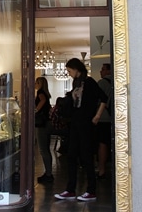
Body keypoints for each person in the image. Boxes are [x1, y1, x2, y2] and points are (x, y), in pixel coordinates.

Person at [54, 57, 107, 202]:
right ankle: (70, 189)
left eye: (70, 70)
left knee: (86, 156)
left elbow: (104, 98)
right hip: (76, 123)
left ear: (77, 69)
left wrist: (97, 116)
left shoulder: (89, 82)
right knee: (71, 155)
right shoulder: (75, 83)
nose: (69, 73)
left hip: (86, 123)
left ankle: (91, 190)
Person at [35, 76, 54, 183]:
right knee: (46, 148)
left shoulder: (40, 92)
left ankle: (48, 173)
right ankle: (49, 172)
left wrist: (35, 110)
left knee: (43, 149)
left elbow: (42, 101)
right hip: (47, 122)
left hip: (42, 124)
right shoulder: (45, 92)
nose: (35, 84)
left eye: (36, 82)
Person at [96, 63, 113, 179]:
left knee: (102, 143)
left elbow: (96, 99)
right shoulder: (118, 81)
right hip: (114, 117)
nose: (100, 72)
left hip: (103, 117)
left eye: (102, 69)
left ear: (108, 71)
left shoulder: (102, 83)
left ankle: (101, 169)